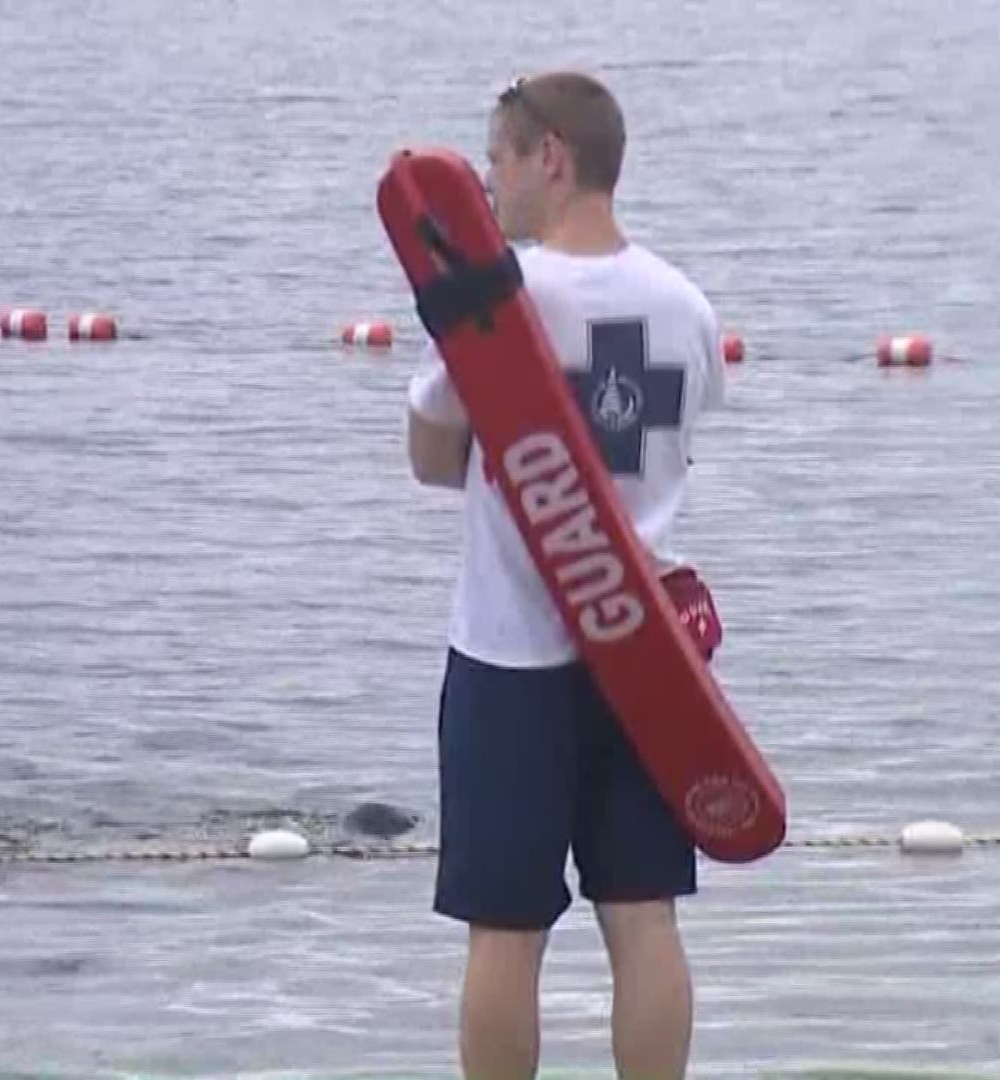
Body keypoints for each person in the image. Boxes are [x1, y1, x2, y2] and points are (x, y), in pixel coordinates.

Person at [402, 70, 728, 1080]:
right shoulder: (686, 305)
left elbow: (430, 456)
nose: (491, 183)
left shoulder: (504, 299)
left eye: (498, 158)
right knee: (644, 920)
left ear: (552, 156)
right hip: (648, 662)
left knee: (504, 931)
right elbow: (678, 445)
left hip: (510, 656)